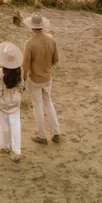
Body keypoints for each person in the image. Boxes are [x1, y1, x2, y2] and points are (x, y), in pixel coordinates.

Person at [22, 12, 61, 145]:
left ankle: (42, 135)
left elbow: (25, 65)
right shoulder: (51, 39)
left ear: (32, 27)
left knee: (37, 106)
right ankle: (56, 132)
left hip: (35, 79)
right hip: (47, 77)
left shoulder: (30, 43)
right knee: (49, 103)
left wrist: (22, 79)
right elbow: (55, 59)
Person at [0, 41, 24, 162]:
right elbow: (22, 86)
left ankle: (4, 145)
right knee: (16, 126)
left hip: (3, 102)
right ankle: (17, 151)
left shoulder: (1, 72)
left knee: (3, 125)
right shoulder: (20, 69)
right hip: (15, 102)